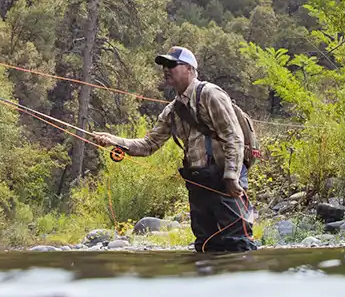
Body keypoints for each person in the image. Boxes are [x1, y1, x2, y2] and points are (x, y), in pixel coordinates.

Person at [89, 46, 257, 252]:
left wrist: (231, 176)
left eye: (171, 64)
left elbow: (234, 136)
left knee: (237, 242)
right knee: (205, 245)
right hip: (198, 183)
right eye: (163, 66)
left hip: (225, 180)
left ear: (189, 68)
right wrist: (114, 141)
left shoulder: (210, 94)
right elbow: (148, 145)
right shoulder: (172, 110)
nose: (165, 70)